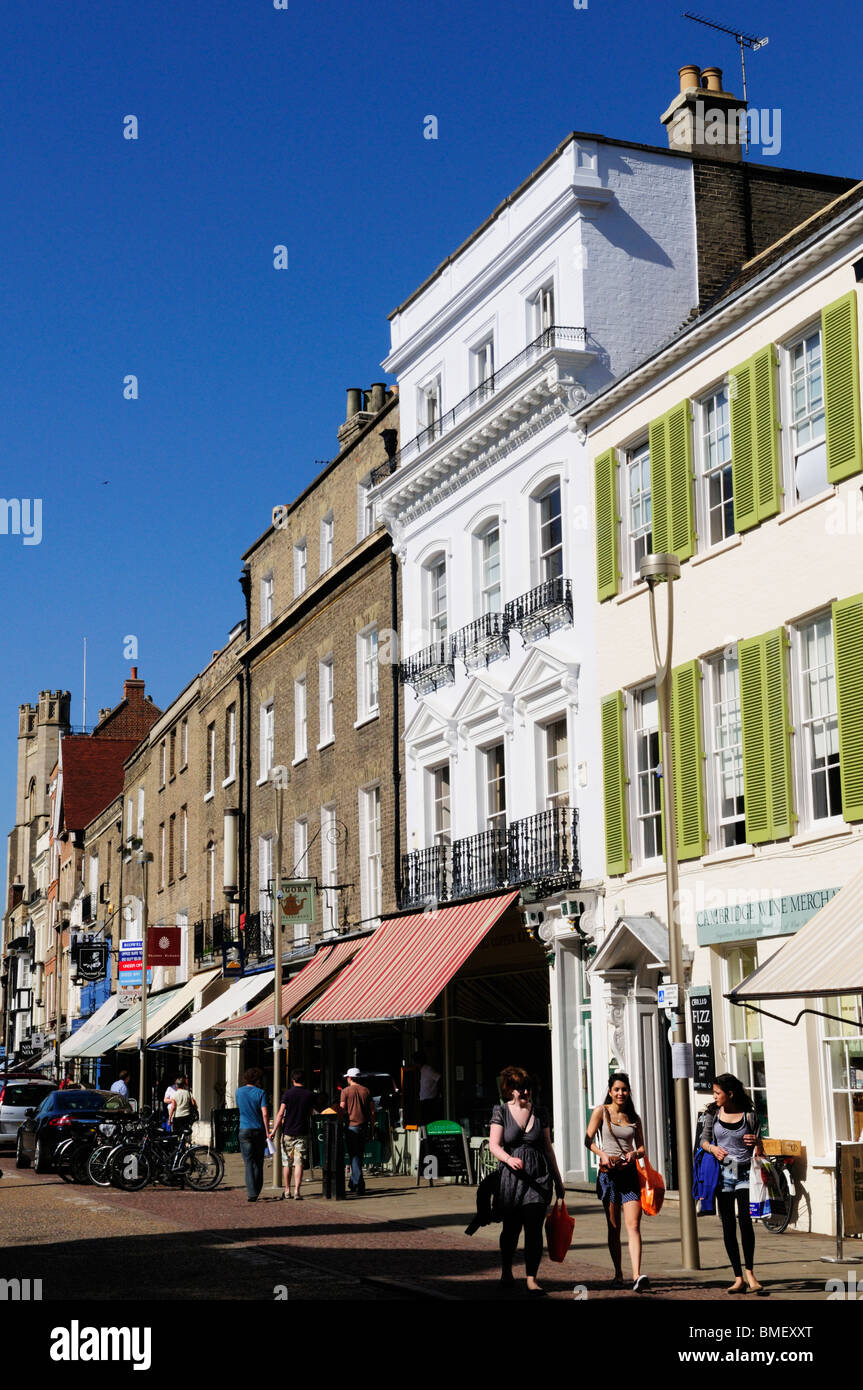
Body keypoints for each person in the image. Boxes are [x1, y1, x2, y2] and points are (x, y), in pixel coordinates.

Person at [488, 1066, 565, 1296]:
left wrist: (558, 1179)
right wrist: (508, 1159)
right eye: (520, 1088)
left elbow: (548, 1147)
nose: (525, 1092)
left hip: (538, 1177)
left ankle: (532, 1278)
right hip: (512, 1179)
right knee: (511, 1228)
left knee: (534, 1229)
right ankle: (506, 1270)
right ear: (509, 1090)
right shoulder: (500, 1111)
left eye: (527, 1088)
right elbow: (494, 1144)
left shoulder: (540, 1112)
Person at [699, 1073, 765, 1294]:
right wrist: (713, 1148)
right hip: (724, 1172)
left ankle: (750, 1273)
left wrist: (758, 1142)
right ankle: (738, 1277)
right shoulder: (712, 1114)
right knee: (728, 1224)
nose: (714, 1096)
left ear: (730, 1094)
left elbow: (760, 1150)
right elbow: (703, 1140)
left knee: (745, 1222)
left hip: (746, 1171)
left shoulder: (750, 1116)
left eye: (718, 1093)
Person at [586, 1072, 649, 1292]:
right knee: (614, 1227)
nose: (621, 1093)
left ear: (628, 1091)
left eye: (624, 1089)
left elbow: (641, 1148)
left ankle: (636, 1275)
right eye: (617, 1089)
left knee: (634, 1226)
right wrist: (602, 1155)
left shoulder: (634, 1117)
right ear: (610, 1091)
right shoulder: (601, 1112)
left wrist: (635, 1154)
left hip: (629, 1175)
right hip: (609, 1175)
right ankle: (618, 1273)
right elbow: (588, 1139)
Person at [270, 1068, 318, 1200]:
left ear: (293, 1080)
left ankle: (287, 1190)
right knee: (299, 1162)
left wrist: (273, 1131)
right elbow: (310, 1113)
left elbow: (280, 1113)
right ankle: (297, 1190)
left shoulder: (287, 1094)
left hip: (288, 1132)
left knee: (287, 1163)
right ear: (304, 1080)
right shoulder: (309, 1095)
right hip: (302, 1132)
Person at [235, 1067, 270, 1202]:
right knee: (258, 1162)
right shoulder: (261, 1093)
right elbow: (265, 1113)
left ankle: (251, 1193)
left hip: (244, 1129)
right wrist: (268, 1132)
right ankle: (257, 1189)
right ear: (257, 1080)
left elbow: (240, 1107)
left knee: (248, 1162)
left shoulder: (239, 1092)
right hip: (258, 1130)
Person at [339, 1068, 375, 1196]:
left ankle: (359, 1183)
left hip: (351, 1126)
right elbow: (372, 1112)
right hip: (364, 1126)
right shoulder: (366, 1091)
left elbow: (342, 1109)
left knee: (354, 1155)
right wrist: (372, 1128)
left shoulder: (345, 1091)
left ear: (349, 1078)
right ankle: (353, 1182)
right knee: (358, 1155)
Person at [418, 1055, 443, 1125]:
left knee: (429, 1121)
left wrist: (439, 1093)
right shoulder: (419, 1071)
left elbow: (439, 1078)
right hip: (422, 1100)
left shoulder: (428, 1070)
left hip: (429, 1100)